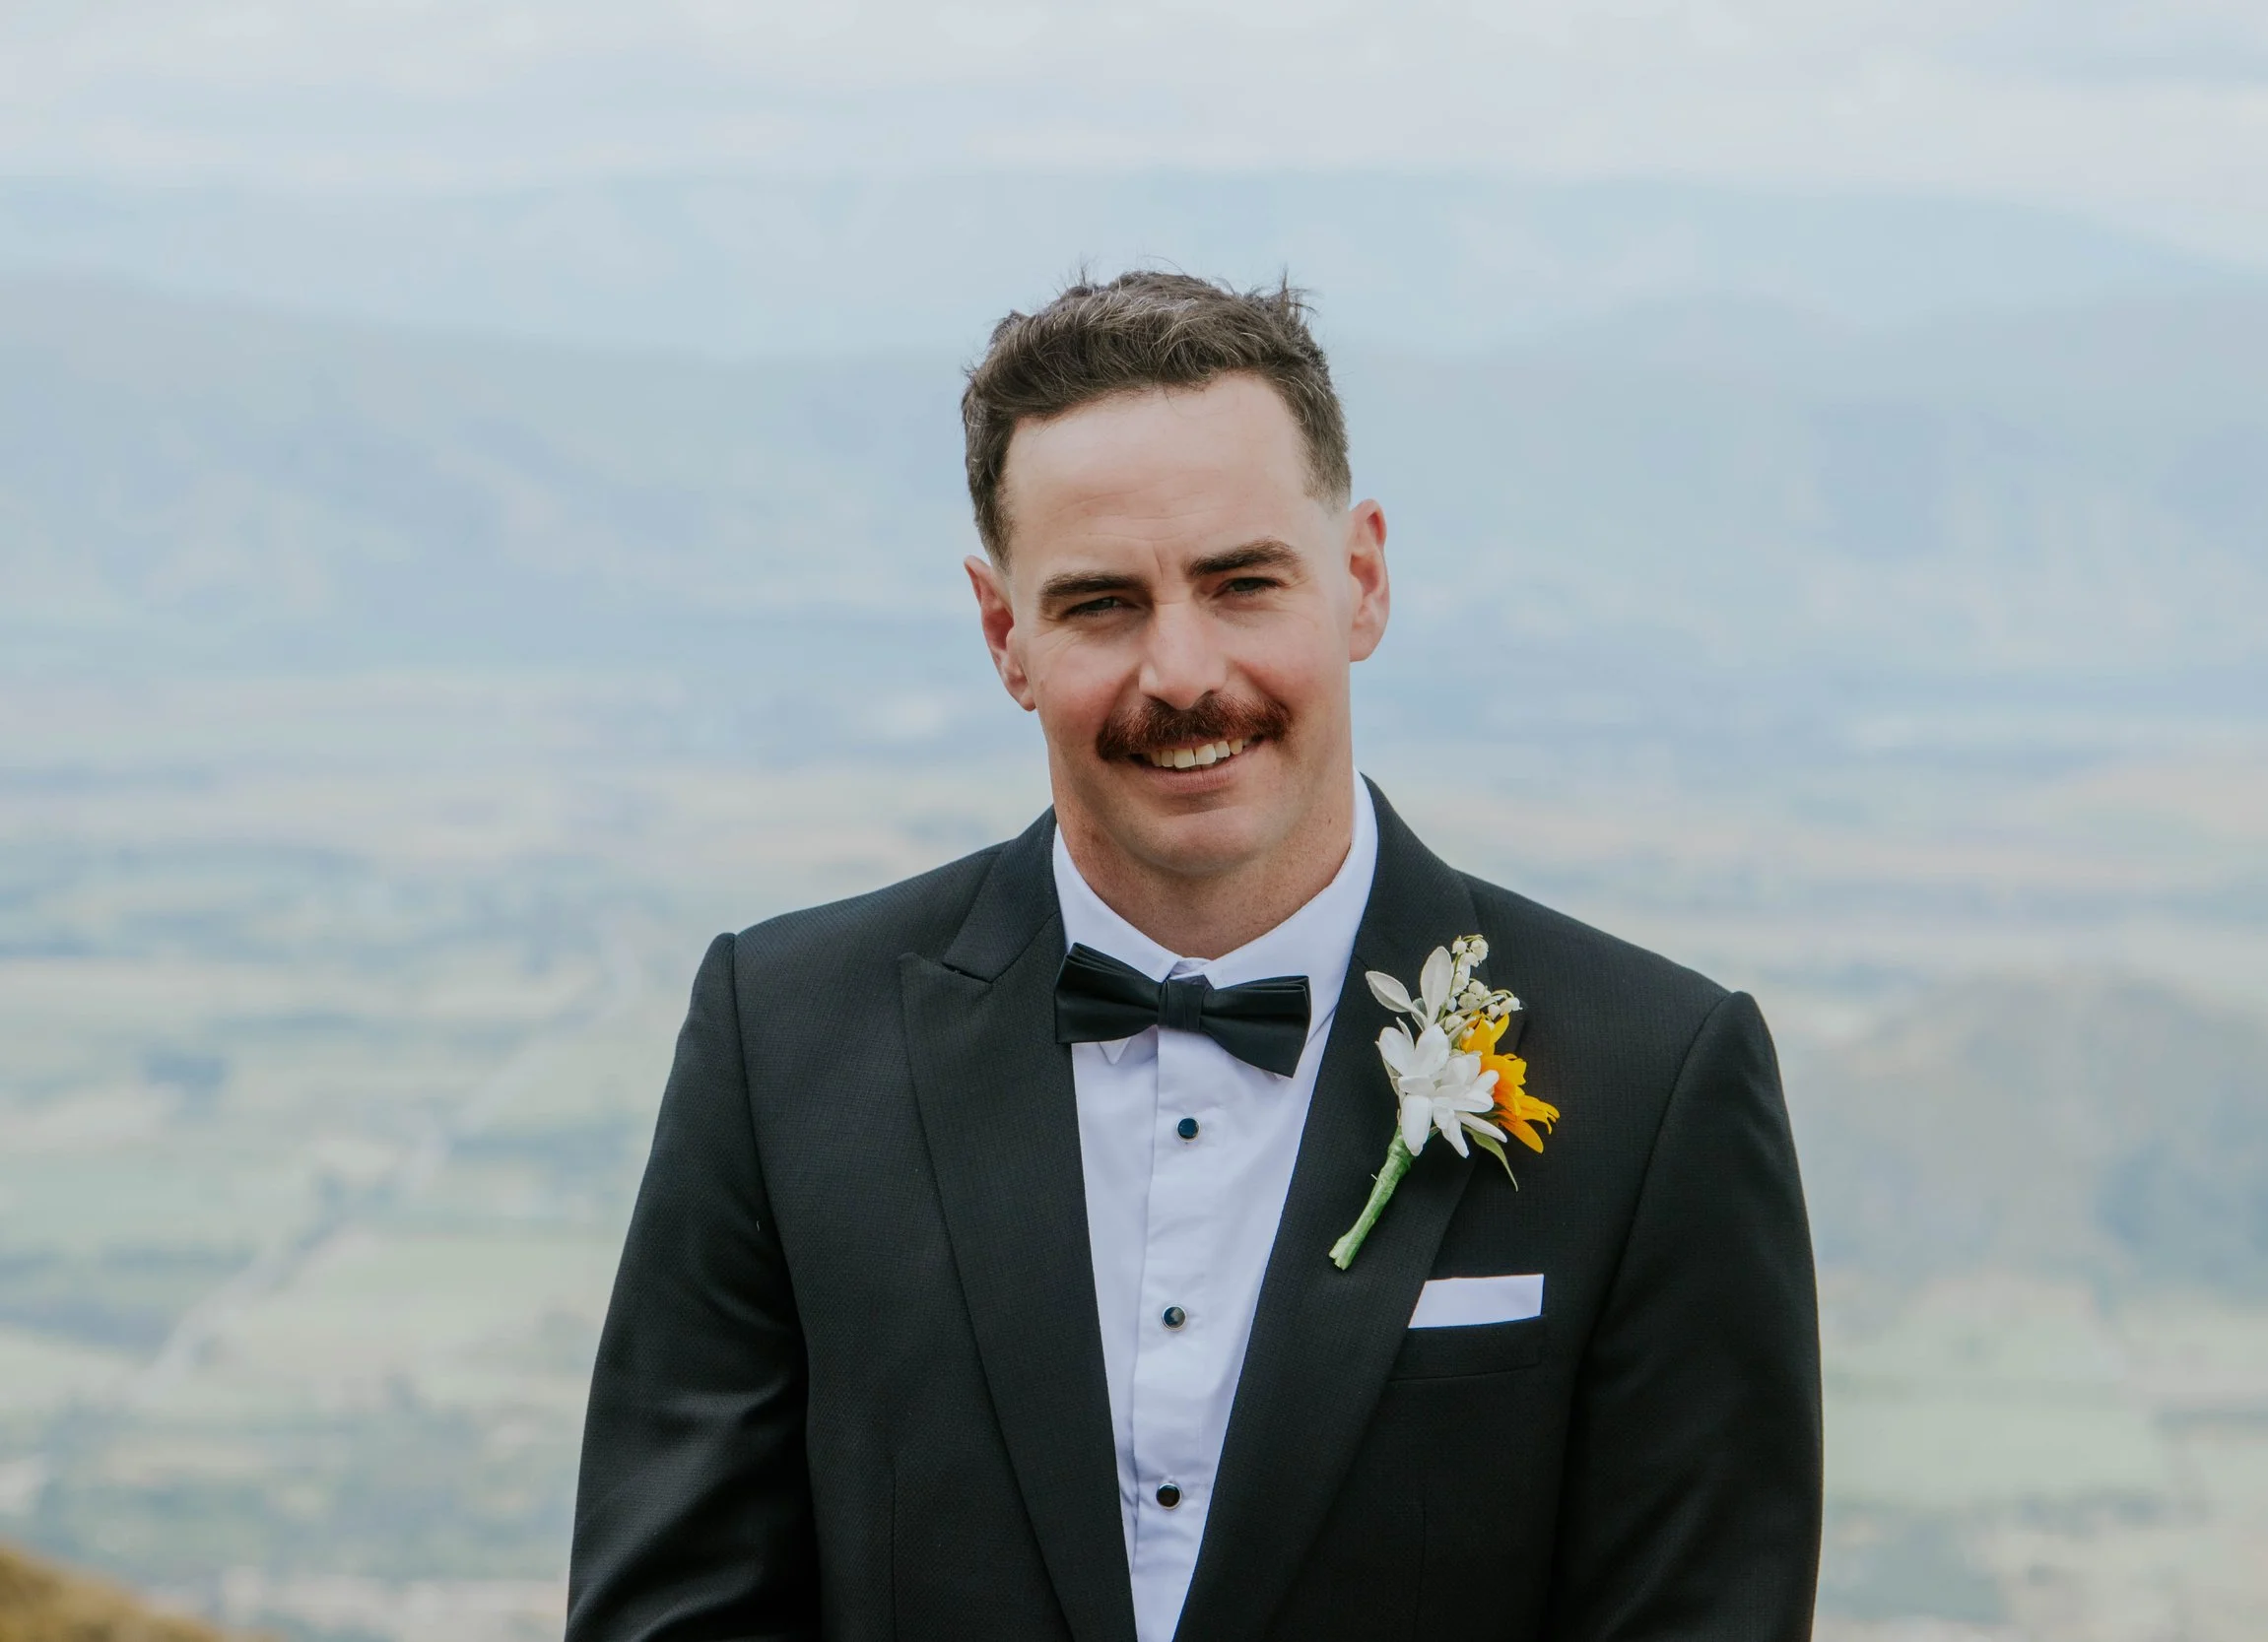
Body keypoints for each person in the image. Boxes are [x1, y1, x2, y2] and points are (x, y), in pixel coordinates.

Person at [567, 271, 1821, 1642]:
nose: (1181, 670)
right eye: (1102, 603)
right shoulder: (782, 1042)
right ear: (1006, 636)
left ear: (1360, 581)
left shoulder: (1656, 1079)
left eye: (1241, 584)